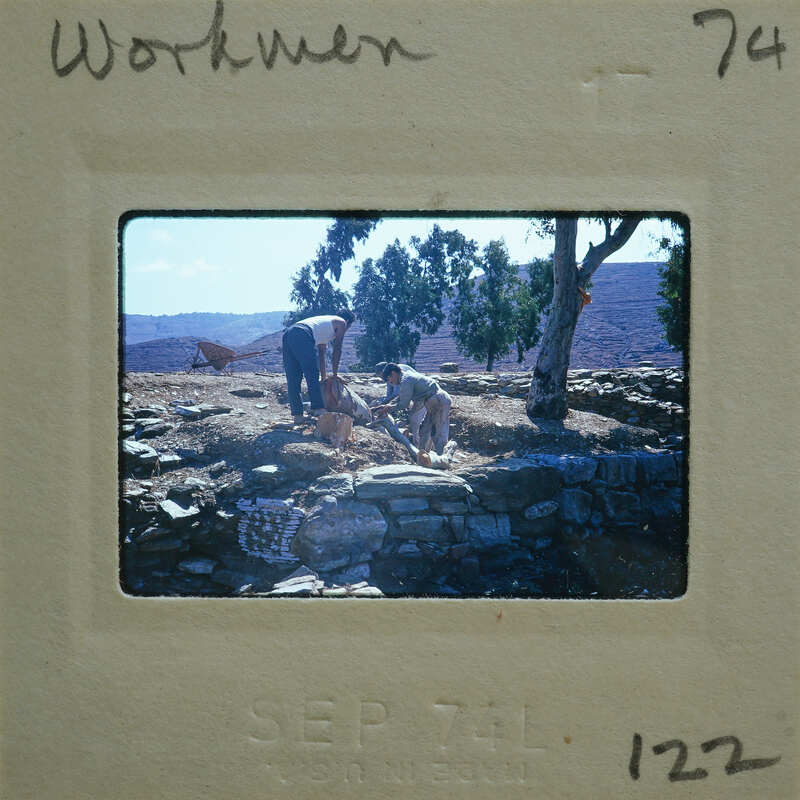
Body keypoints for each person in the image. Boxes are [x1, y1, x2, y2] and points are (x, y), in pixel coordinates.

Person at [281, 309, 355, 425]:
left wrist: (324, 378)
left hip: (288, 334)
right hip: (303, 334)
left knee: (293, 378)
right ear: (348, 321)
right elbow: (337, 349)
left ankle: (298, 416)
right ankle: (318, 409)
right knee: (311, 374)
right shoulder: (341, 323)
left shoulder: (323, 326)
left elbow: (321, 354)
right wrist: (335, 375)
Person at [374, 363, 452, 455]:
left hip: (439, 400)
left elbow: (404, 404)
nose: (392, 384)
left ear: (393, 373)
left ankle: (442, 458)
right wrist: (388, 405)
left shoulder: (406, 380)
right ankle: (423, 456)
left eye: (390, 381)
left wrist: (389, 408)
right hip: (431, 402)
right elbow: (401, 396)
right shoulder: (405, 380)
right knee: (424, 430)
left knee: (438, 431)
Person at [372, 362, 426, 445]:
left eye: (382, 376)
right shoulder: (390, 374)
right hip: (413, 395)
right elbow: (389, 393)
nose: (385, 380)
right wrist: (383, 404)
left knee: (415, 420)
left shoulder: (398, 373)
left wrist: (387, 406)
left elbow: (398, 394)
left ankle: (419, 446)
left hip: (421, 396)